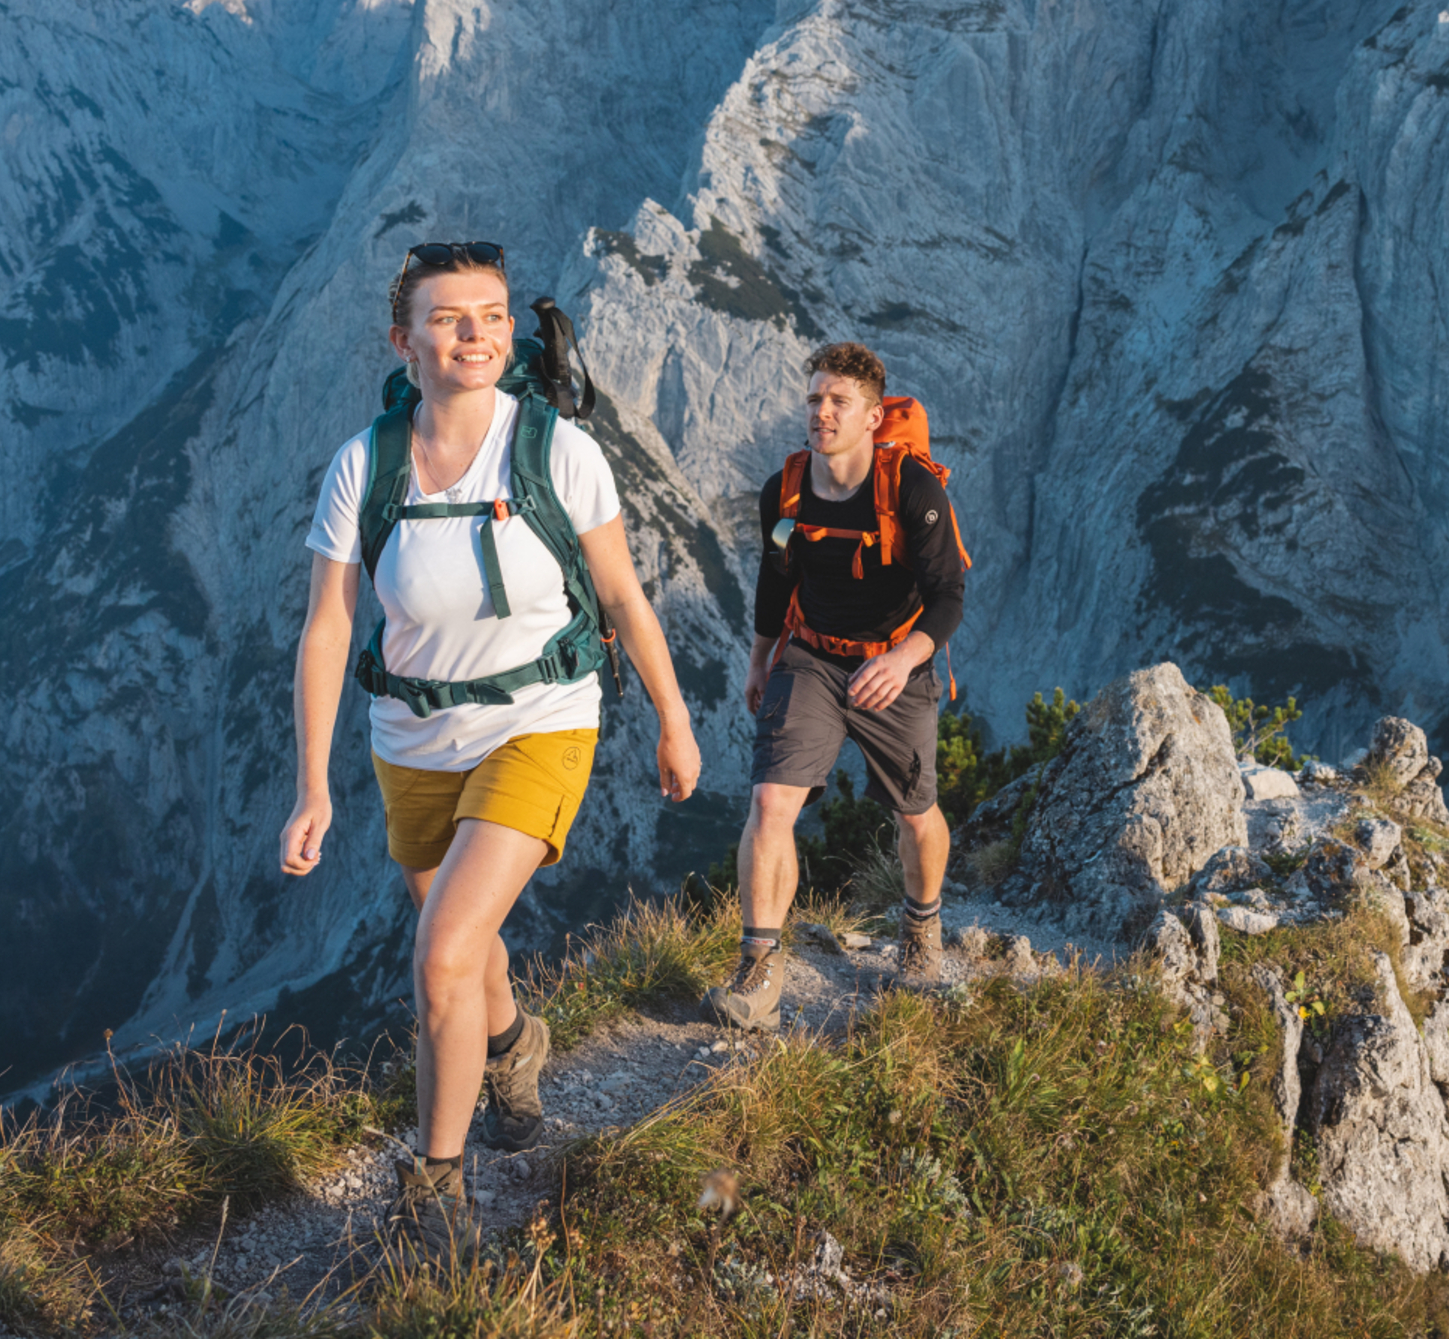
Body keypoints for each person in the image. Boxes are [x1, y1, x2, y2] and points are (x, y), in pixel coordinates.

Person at [279, 241, 702, 1261]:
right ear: (402, 338)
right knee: (457, 941)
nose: (476, 332)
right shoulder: (364, 462)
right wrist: (310, 789)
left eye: (493, 313)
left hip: (538, 720)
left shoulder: (558, 450)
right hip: (412, 737)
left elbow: (619, 596)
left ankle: (436, 1186)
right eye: (449, 315)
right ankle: (514, 1044)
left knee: (439, 954)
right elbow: (328, 628)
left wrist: (672, 714)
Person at [705, 341, 967, 1031]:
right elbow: (777, 578)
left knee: (917, 812)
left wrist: (905, 659)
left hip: (894, 664)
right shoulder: (785, 491)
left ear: (874, 417)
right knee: (769, 803)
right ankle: (758, 968)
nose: (821, 412)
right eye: (814, 398)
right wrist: (761, 660)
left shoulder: (913, 490)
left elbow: (948, 595)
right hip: (813, 658)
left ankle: (921, 930)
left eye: (838, 401)